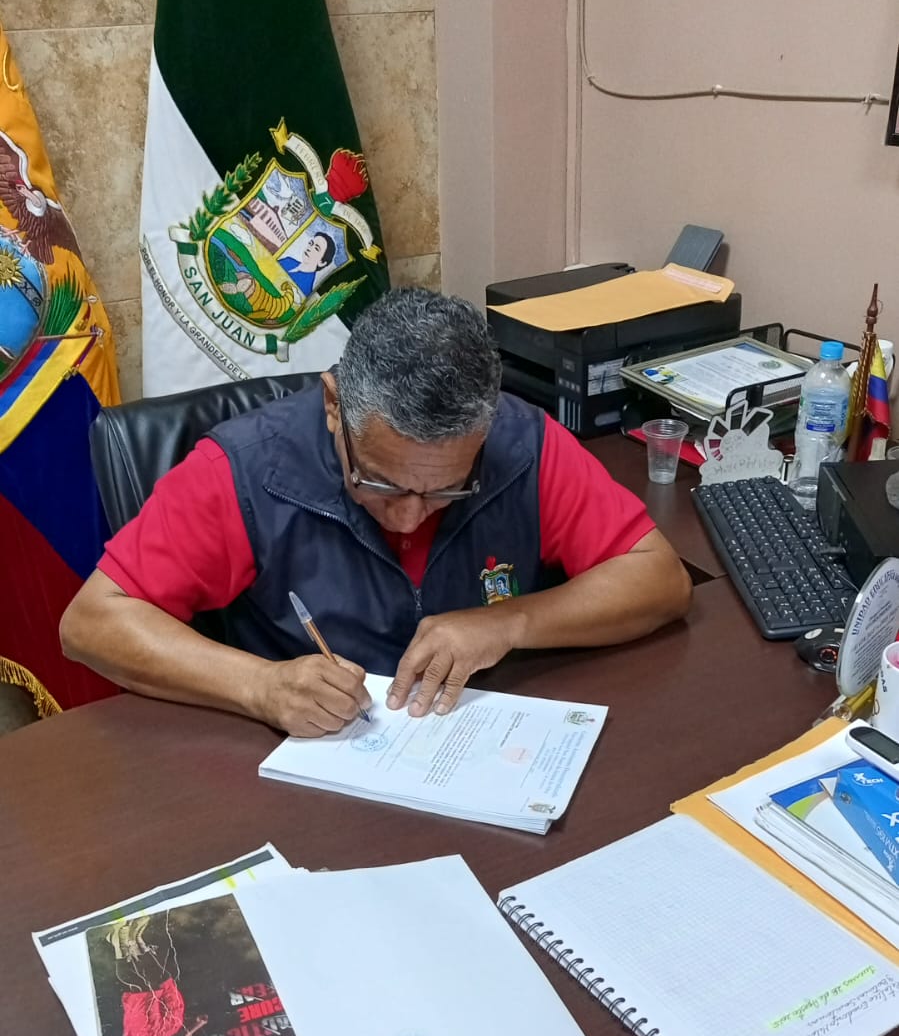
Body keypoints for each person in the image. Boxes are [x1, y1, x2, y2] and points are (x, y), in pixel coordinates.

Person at [61, 287, 692, 736]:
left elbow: (658, 578)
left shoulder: (523, 444)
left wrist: (508, 623)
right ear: (334, 406)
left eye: (446, 489)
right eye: (381, 483)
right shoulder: (245, 469)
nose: (410, 518)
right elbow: (92, 623)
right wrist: (261, 687)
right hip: (307, 765)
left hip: (481, 737)